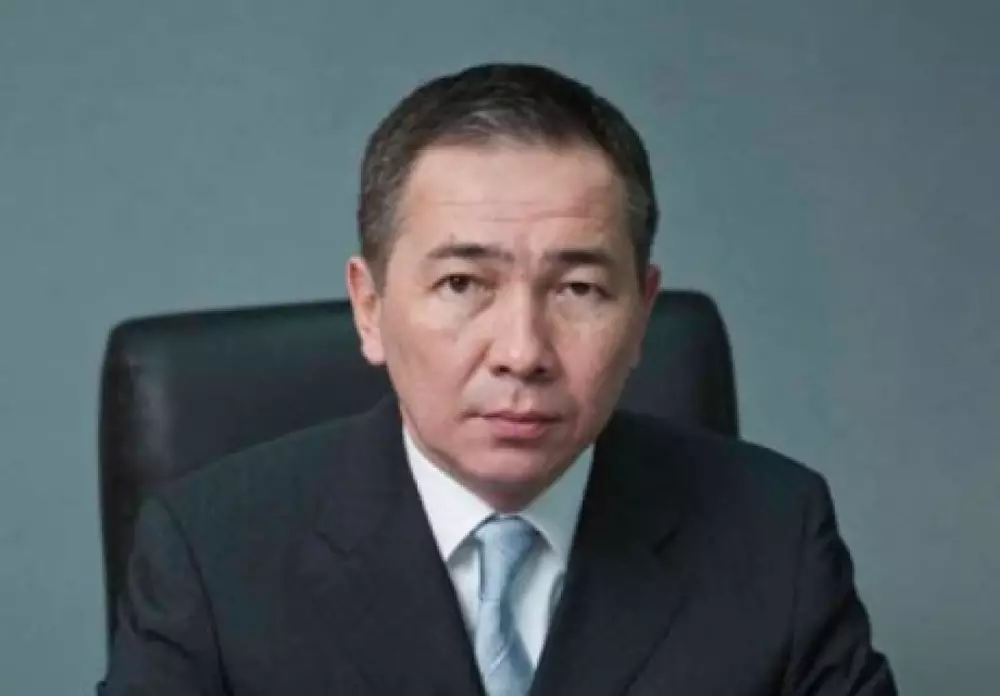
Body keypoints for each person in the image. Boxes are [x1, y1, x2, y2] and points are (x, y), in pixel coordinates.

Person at [100, 63, 897, 695]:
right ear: (370, 308)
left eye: (578, 289)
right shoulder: (211, 557)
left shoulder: (777, 537)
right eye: (462, 284)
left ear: (641, 315)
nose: (522, 352)